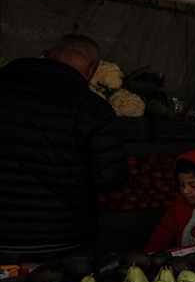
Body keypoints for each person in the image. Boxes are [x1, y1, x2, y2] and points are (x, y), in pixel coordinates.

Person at [0, 34, 128, 262]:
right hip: (63, 240)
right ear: (91, 69)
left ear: (46, 56)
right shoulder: (93, 109)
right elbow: (109, 179)